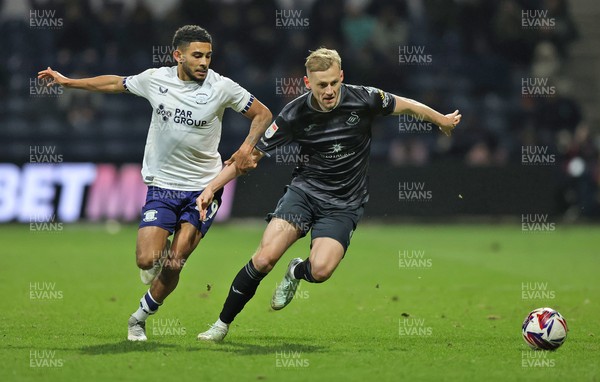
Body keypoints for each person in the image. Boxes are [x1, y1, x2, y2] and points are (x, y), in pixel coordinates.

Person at [194, 48, 461, 341]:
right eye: (322, 85)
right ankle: (220, 325)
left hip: (344, 204)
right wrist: (211, 188)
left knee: (320, 270)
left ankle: (296, 272)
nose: (330, 90)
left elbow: (406, 105)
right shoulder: (294, 113)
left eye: (334, 83)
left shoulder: (364, 97)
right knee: (264, 259)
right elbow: (250, 158)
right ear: (308, 84)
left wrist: (441, 120)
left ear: (342, 77)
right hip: (304, 195)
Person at [37, 25, 272, 341]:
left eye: (208, 56)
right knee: (147, 260)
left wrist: (245, 148)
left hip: (205, 189)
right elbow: (114, 83)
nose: (204, 62)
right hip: (162, 185)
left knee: (175, 263)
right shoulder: (155, 80)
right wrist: (69, 82)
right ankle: (157, 258)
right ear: (178, 55)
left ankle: (139, 317)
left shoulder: (223, 87)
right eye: (197, 55)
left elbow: (263, 114)